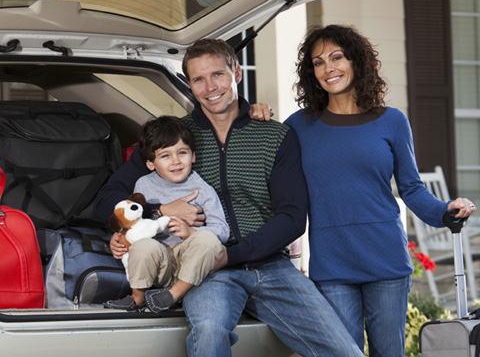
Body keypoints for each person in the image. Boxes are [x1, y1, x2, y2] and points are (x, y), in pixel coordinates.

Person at [94, 38, 364, 357]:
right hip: (204, 271)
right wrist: (158, 210)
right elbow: (106, 202)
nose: (210, 87)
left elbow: (292, 217)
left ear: (236, 73)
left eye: (218, 75)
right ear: (189, 85)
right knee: (208, 335)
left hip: (272, 268)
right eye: (198, 79)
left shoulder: (275, 136)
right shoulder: (173, 139)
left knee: (343, 352)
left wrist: (232, 255)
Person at [251, 24, 477, 357]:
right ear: (311, 73)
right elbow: (266, 175)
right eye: (318, 62)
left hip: (386, 260)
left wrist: (446, 211)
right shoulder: (298, 126)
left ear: (356, 61)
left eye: (336, 57)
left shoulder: (392, 121)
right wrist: (253, 117)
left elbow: (412, 189)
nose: (328, 68)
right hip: (332, 264)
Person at [103, 116, 229, 312]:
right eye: (165, 156)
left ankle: (173, 294)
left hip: (190, 262)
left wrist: (191, 233)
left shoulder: (202, 189)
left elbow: (222, 230)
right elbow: (134, 221)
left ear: (193, 156)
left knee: (209, 240)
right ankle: (137, 297)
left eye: (182, 153)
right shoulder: (143, 185)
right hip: (158, 261)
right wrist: (120, 237)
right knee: (143, 245)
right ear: (151, 163)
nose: (176, 161)